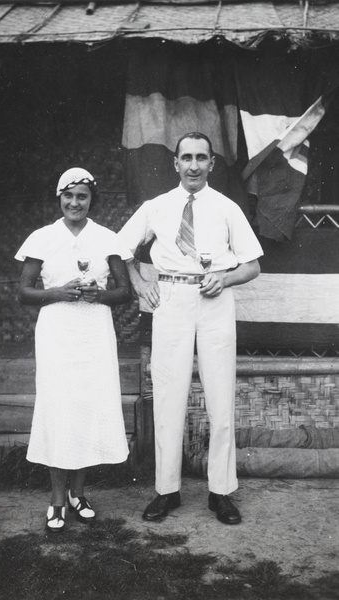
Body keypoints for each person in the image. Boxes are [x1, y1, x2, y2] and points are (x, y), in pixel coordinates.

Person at [118, 132, 263, 525]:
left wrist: (226, 279)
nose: (194, 165)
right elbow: (119, 249)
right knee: (168, 395)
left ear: (212, 163)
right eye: (187, 158)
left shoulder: (227, 208)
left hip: (215, 302)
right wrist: (140, 283)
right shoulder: (157, 207)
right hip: (171, 300)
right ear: (175, 163)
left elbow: (252, 265)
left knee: (220, 395)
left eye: (202, 158)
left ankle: (221, 493)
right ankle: (167, 491)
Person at [15, 167, 132, 533]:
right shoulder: (42, 237)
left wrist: (100, 294)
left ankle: (78, 494)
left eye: (82, 196)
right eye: (68, 196)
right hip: (57, 333)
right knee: (59, 408)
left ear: (91, 200)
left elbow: (124, 292)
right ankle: (55, 498)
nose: (75, 203)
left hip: (94, 331)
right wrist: (58, 293)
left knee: (86, 408)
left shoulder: (107, 237)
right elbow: (24, 292)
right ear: (59, 198)